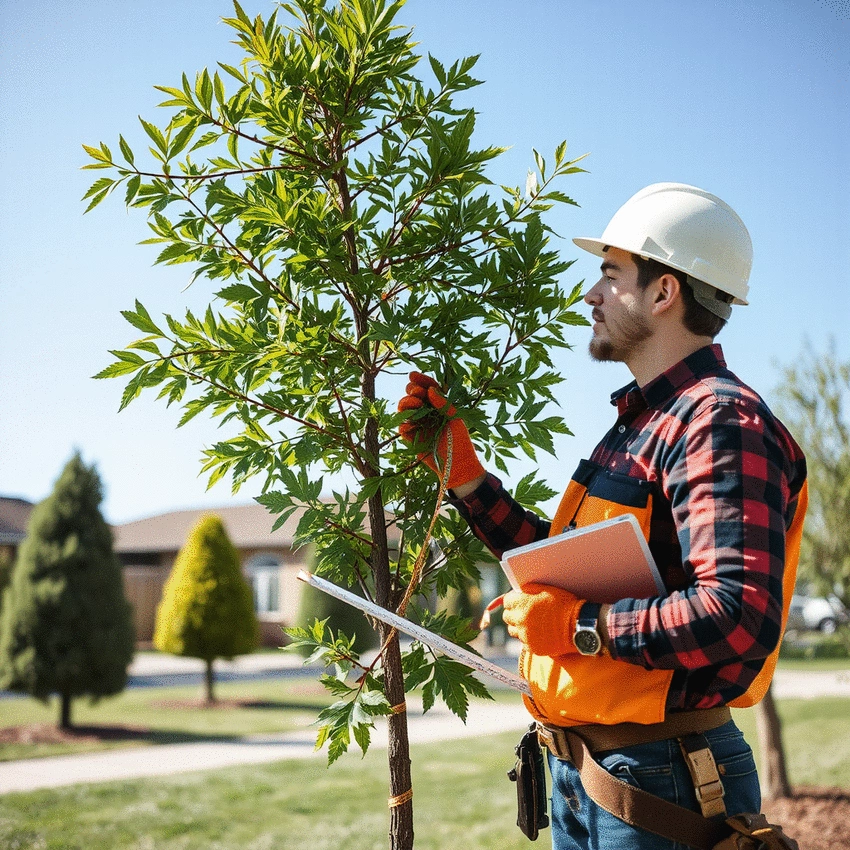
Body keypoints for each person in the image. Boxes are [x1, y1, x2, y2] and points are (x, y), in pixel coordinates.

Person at [398, 183, 808, 849]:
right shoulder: (642, 425)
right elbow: (568, 562)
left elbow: (737, 614)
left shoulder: (718, 422)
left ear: (663, 292)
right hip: (592, 769)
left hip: (664, 775)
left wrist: (578, 627)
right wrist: (466, 477)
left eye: (610, 275)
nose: (591, 295)